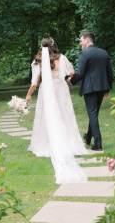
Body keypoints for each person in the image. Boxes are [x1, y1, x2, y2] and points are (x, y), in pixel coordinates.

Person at [25, 37, 89, 184]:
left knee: (46, 116)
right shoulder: (63, 58)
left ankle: (45, 143)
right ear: (55, 45)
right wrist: (64, 78)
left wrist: (28, 95)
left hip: (47, 92)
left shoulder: (38, 61)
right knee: (64, 115)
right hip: (61, 90)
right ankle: (70, 141)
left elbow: (35, 82)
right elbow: (72, 72)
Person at [68, 32, 113, 151]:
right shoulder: (104, 53)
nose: (80, 43)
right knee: (94, 114)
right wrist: (107, 89)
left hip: (90, 88)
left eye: (81, 41)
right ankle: (88, 137)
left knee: (92, 114)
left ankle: (98, 144)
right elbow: (109, 73)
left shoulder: (84, 53)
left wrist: (70, 81)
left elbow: (80, 73)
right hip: (102, 88)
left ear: (87, 41)